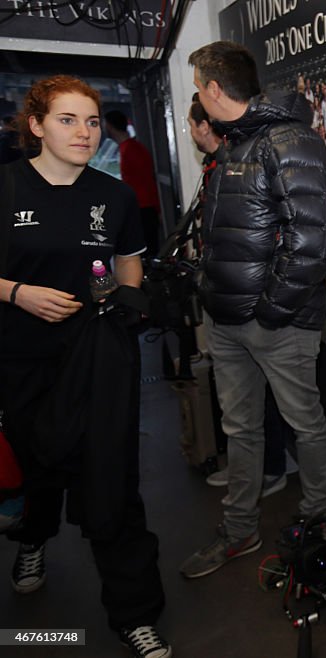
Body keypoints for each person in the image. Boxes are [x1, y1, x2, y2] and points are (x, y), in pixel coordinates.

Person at [0, 75, 170, 658]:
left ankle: (135, 613)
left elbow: (126, 265)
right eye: (68, 119)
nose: (83, 131)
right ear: (37, 125)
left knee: (112, 481)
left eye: (92, 120)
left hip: (97, 358)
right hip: (22, 358)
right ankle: (35, 537)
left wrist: (120, 307)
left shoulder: (114, 195)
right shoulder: (6, 186)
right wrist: (17, 292)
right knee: (40, 462)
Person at [179, 41, 326, 579]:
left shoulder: (291, 141)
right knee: (240, 428)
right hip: (226, 321)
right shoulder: (230, 147)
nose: (198, 94)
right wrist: (211, 290)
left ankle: (317, 523)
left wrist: (270, 311)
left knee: (303, 424)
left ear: (214, 89)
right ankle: (240, 529)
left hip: (277, 323)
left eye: (199, 85)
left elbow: (312, 243)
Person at [104, 110, 161, 262]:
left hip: (143, 209)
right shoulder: (128, 148)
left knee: (145, 255)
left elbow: (144, 182)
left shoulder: (132, 149)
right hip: (143, 209)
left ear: (109, 126)